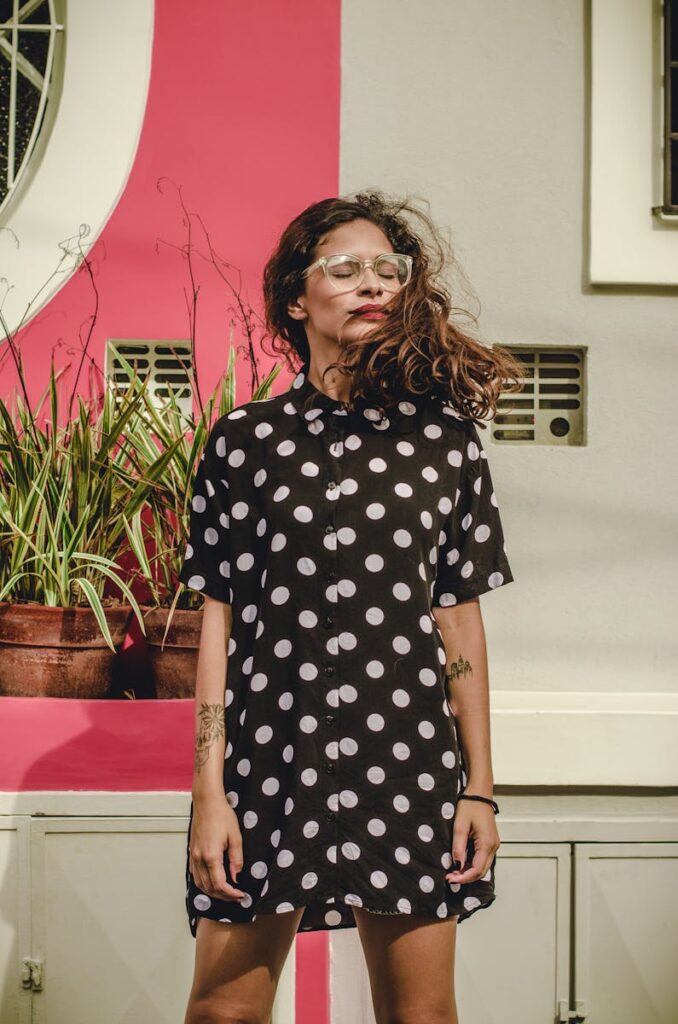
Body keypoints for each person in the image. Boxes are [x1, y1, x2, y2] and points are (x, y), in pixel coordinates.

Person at [180, 191, 524, 1024]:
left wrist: (480, 788)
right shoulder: (243, 441)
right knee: (223, 1010)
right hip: (268, 759)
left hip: (407, 760)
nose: (371, 283)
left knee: (420, 1014)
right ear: (298, 298)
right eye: (345, 268)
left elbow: (459, 625)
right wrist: (208, 792)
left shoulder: (445, 445)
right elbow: (217, 624)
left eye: (388, 270)